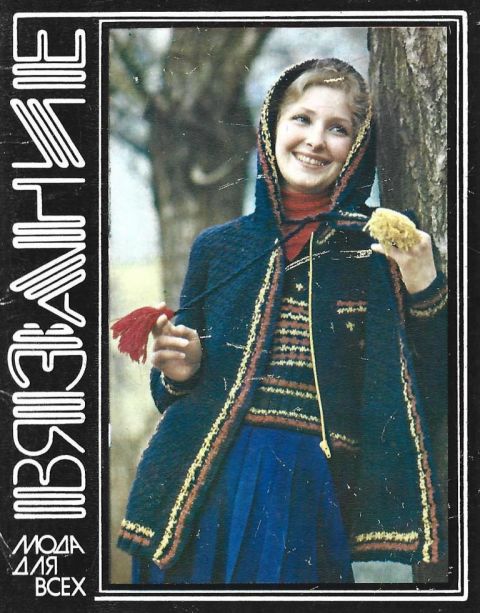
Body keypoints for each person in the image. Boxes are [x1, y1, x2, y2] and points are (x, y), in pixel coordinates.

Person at [117, 58, 447, 584]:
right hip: (192, 488)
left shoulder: (377, 249)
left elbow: (432, 385)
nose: (315, 140)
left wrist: (425, 284)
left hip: (305, 483)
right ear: (271, 129)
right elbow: (170, 394)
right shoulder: (219, 247)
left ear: (358, 148)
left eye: (338, 128)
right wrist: (181, 369)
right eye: (302, 119)